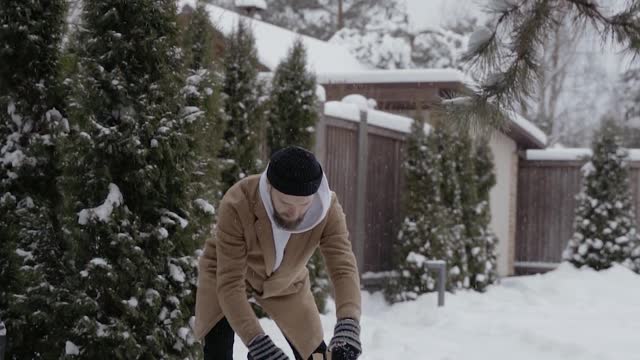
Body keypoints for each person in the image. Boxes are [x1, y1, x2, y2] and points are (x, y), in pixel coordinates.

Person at [194, 146, 362, 360]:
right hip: (226, 275)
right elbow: (230, 285)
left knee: (316, 356)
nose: (295, 213)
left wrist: (348, 322)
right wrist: (258, 343)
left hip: (285, 280)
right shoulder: (238, 202)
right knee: (218, 352)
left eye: (304, 204)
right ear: (269, 187)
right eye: (285, 203)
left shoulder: (328, 209)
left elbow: (343, 266)